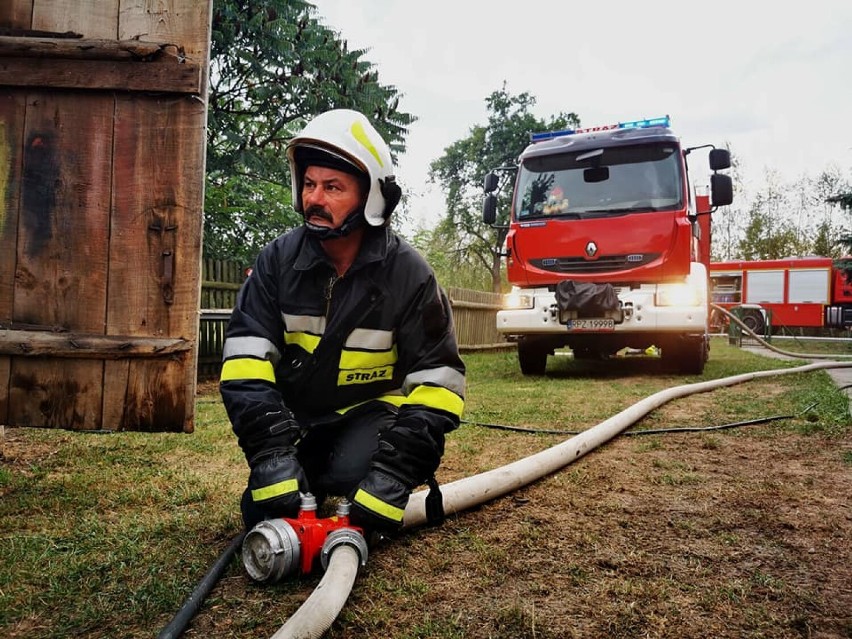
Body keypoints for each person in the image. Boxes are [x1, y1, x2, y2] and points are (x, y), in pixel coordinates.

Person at [219, 109, 466, 536]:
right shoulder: (277, 263)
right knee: (261, 510)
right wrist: (271, 455)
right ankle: (298, 469)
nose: (315, 199)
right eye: (310, 184)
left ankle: (356, 471)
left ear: (371, 198)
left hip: (372, 420)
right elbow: (244, 366)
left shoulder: (409, 275)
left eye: (333, 187)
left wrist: (394, 473)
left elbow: (439, 385)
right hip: (295, 425)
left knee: (358, 481)